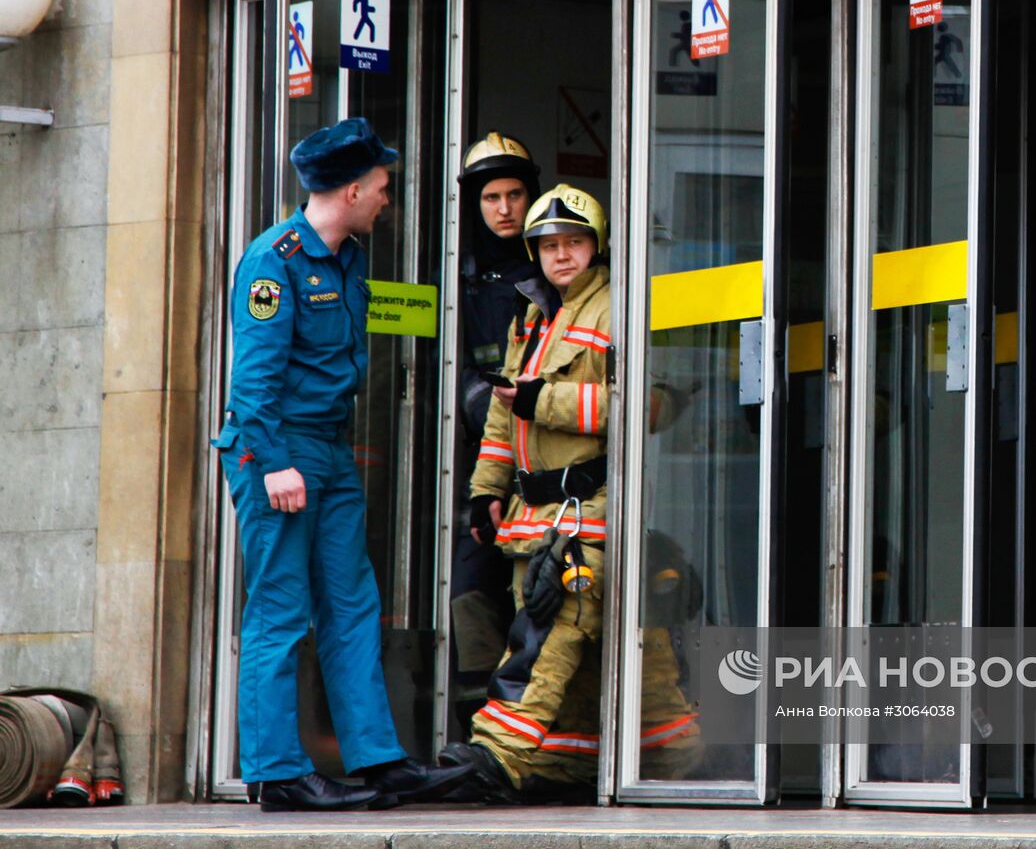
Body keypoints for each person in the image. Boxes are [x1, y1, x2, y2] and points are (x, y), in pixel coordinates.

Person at [213, 117, 474, 812]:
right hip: (278, 450)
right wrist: (272, 464)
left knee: (353, 604)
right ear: (352, 190)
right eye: (383, 187)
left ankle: (378, 759)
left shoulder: (350, 256)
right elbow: (254, 379)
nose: (389, 198)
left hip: (327, 448)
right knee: (280, 609)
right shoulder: (275, 260)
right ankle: (276, 772)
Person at [439, 186, 701, 804]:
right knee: (628, 649)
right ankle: (656, 755)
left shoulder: (620, 309)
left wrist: (542, 400)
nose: (562, 255)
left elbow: (651, 405)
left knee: (549, 629)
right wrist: (485, 493)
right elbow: (504, 419)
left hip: (591, 509)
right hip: (534, 514)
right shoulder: (530, 316)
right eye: (550, 245)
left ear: (596, 246)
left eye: (574, 242)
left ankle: (499, 754)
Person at [450, 132, 540, 726]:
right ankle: (475, 730)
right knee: (468, 591)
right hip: (474, 466)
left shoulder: (554, 271)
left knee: (536, 600)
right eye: (491, 198)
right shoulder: (458, 278)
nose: (504, 209)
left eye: (514, 195)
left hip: (542, 466)